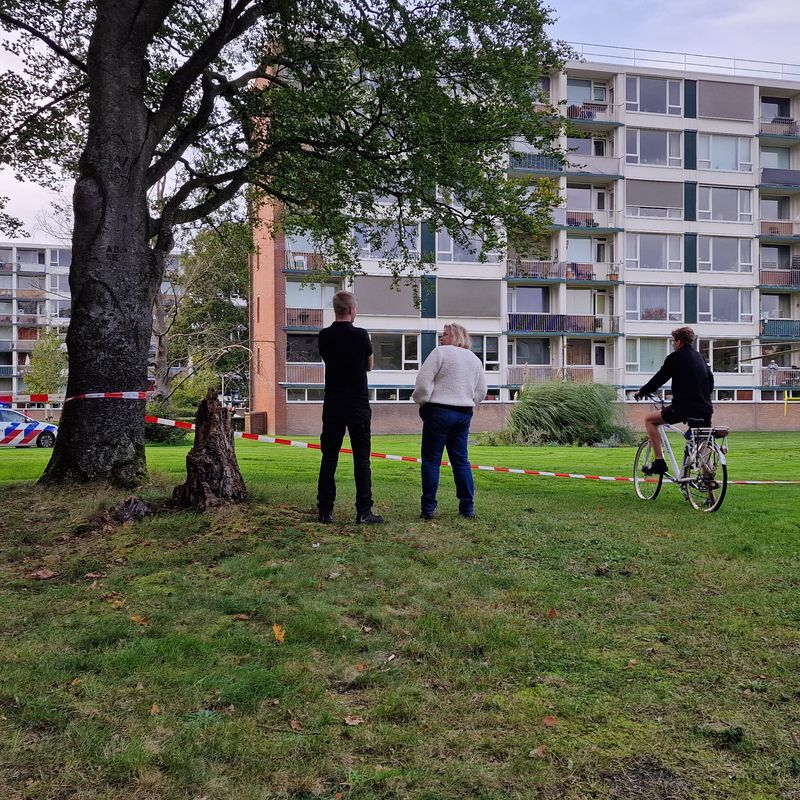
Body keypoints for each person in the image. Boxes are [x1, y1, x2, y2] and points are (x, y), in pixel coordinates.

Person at [316, 290, 383, 524]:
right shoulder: (361, 335)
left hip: (333, 403)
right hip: (357, 404)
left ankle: (325, 510)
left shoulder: (324, 336)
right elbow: (369, 366)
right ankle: (363, 511)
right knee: (361, 457)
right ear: (352, 310)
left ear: (336, 310)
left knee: (329, 456)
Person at [412, 323, 488, 519]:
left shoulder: (441, 353)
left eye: (445, 335)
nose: (441, 338)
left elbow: (422, 382)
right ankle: (467, 507)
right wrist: (469, 402)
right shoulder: (474, 359)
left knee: (431, 461)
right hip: (463, 413)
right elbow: (482, 391)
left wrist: (422, 402)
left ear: (455, 336)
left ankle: (428, 508)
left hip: (438, 411)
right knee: (461, 461)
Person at [633, 326, 714, 475]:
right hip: (705, 409)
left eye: (673, 341)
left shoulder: (675, 357)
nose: (672, 344)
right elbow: (710, 383)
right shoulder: (700, 358)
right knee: (701, 444)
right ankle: (710, 485)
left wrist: (642, 392)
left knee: (649, 420)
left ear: (679, 342)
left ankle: (659, 462)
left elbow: (659, 379)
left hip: (683, 408)